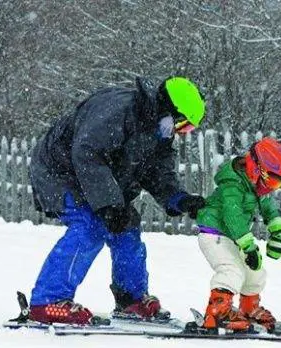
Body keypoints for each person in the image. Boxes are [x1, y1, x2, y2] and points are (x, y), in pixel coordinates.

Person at [27, 76, 207, 325]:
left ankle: (130, 299)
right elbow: (87, 152)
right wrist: (108, 205)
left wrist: (180, 199)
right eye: (184, 126)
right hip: (60, 171)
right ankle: (47, 301)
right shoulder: (119, 110)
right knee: (91, 224)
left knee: (126, 225)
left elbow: (158, 173)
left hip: (94, 179)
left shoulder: (158, 130)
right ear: (170, 111)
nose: (182, 133)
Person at [195, 137, 281, 332]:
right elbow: (232, 216)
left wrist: (277, 230)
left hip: (233, 237)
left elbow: (268, 207)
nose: (272, 188)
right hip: (213, 233)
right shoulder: (232, 185)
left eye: (278, 185)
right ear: (257, 169)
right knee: (232, 270)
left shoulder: (256, 185)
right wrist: (248, 245)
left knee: (254, 272)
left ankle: (249, 309)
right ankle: (216, 313)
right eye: (273, 182)